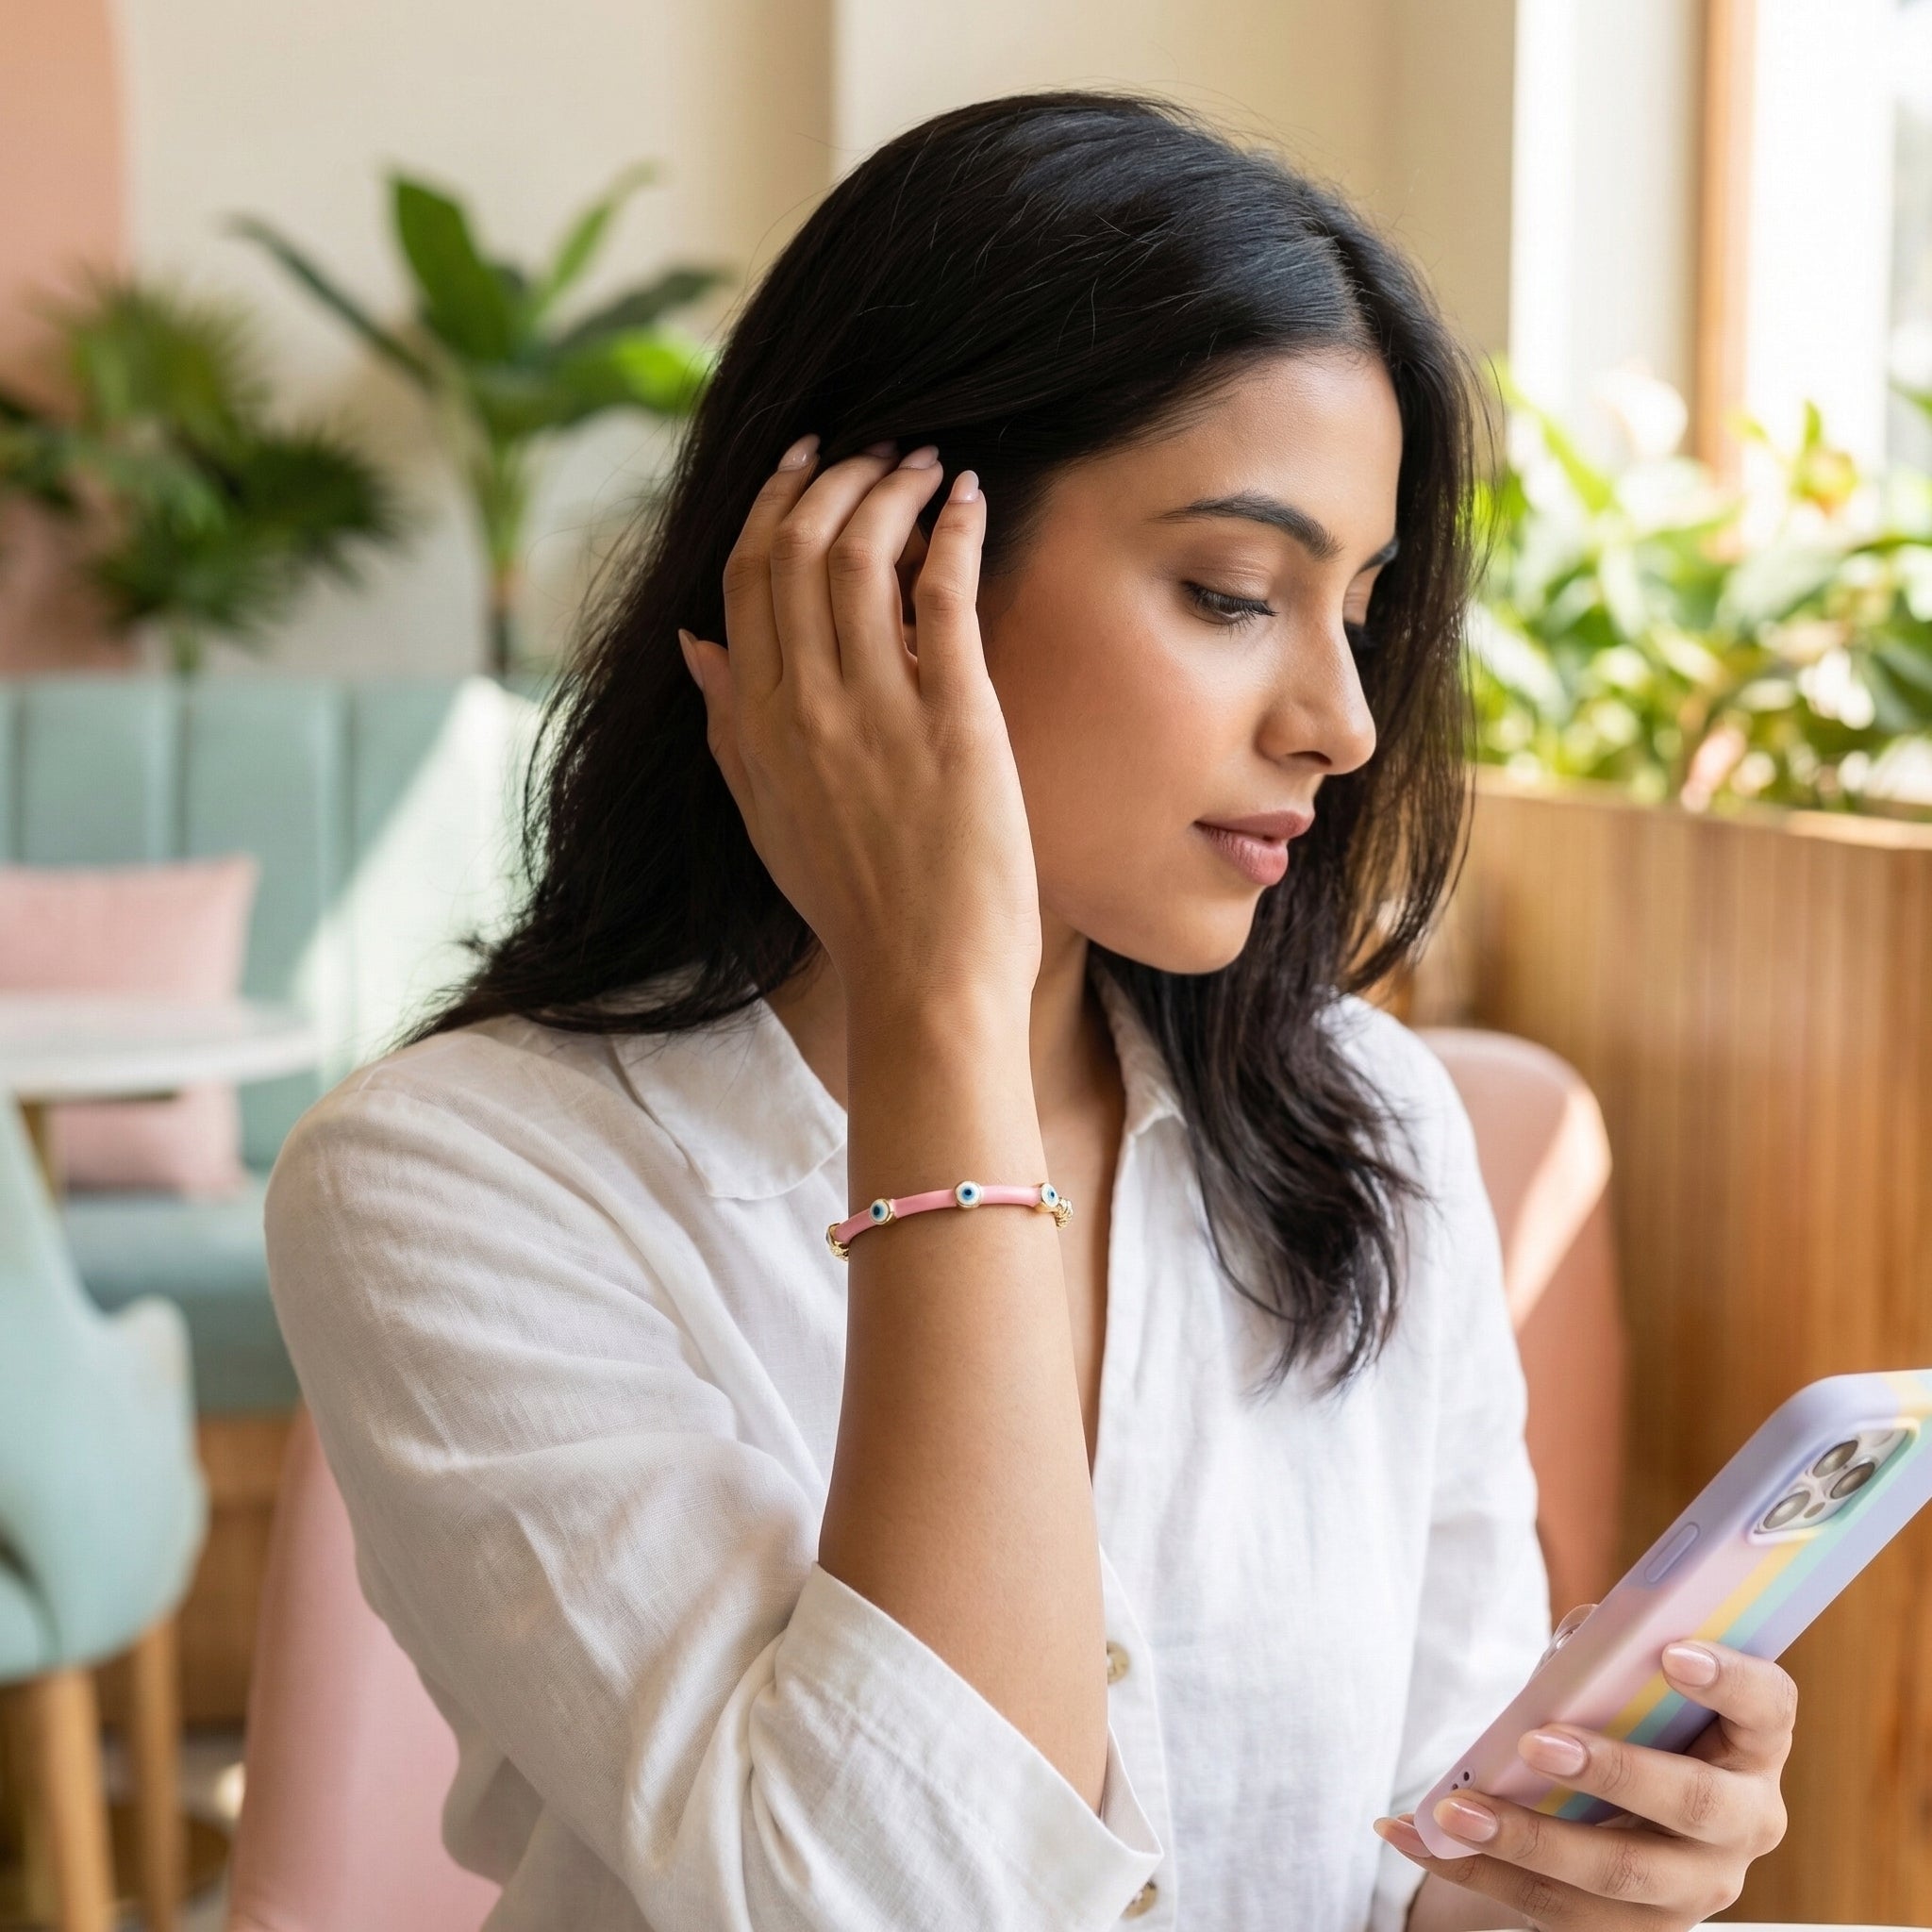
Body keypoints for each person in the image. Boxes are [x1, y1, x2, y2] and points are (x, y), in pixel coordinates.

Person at [264, 91, 1794, 1932]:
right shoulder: (454, 1181)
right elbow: (906, 1900)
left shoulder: (1372, 1124)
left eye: (1360, 610)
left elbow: (1400, 1855)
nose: (1342, 721)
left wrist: (1551, 1885)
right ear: (881, 573)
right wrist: (939, 1019)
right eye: (1232, 593)